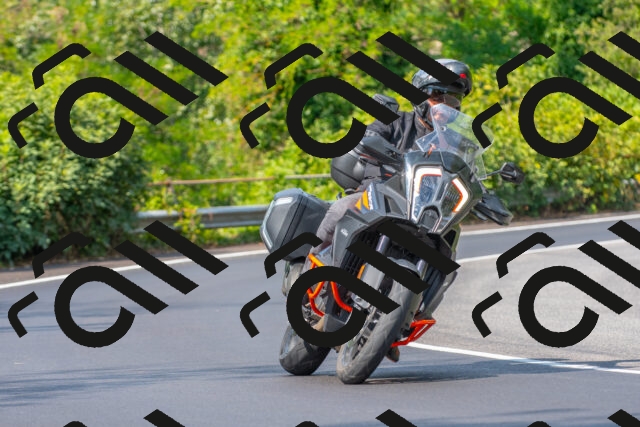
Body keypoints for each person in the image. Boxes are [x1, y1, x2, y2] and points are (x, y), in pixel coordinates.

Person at [291, 59, 510, 361]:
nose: (444, 105)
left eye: (452, 99)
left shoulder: (457, 144)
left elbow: (469, 173)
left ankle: (401, 319)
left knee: (449, 254)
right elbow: (367, 136)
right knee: (342, 209)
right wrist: (369, 142)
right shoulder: (395, 120)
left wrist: (482, 192)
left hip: (426, 213)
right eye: (437, 95)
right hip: (380, 194)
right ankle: (309, 276)